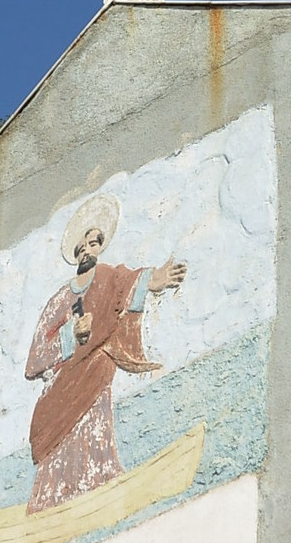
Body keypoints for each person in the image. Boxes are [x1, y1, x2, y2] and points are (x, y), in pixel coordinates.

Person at [25, 194, 186, 514]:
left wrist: (158, 280)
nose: (88, 249)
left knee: (98, 378)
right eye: (81, 245)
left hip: (95, 376)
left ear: (100, 245)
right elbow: (35, 360)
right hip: (62, 389)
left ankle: (99, 484)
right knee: (62, 451)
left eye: (94, 242)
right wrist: (71, 336)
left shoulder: (109, 277)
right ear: (74, 253)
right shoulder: (59, 301)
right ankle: (55, 502)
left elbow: (130, 284)